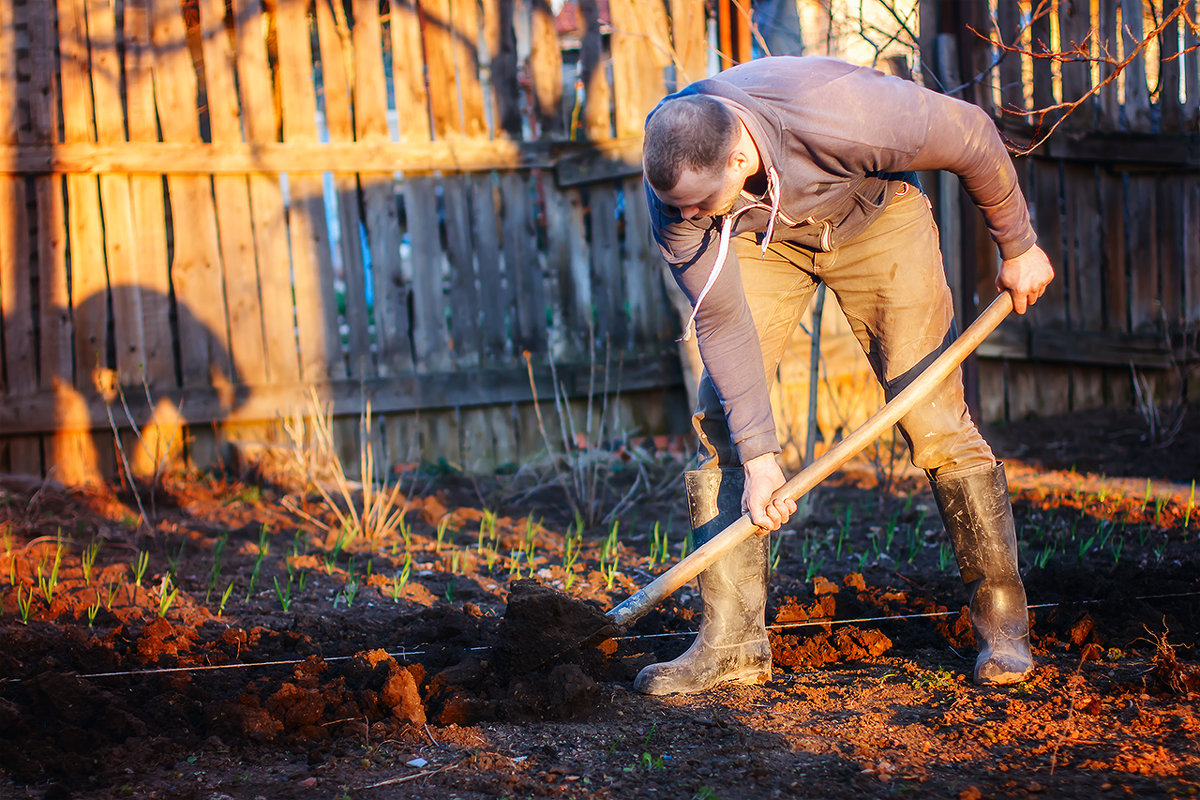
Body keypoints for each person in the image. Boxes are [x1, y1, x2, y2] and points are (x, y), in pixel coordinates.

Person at [637, 55, 1055, 695]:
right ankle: (731, 645)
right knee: (723, 423)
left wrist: (1019, 244)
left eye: (697, 203)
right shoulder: (680, 195)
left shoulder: (844, 115)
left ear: (740, 161)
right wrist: (760, 457)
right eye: (677, 208)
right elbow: (720, 322)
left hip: (874, 220)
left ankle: (1003, 627)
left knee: (934, 417)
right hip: (761, 240)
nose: (686, 217)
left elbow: (972, 133)